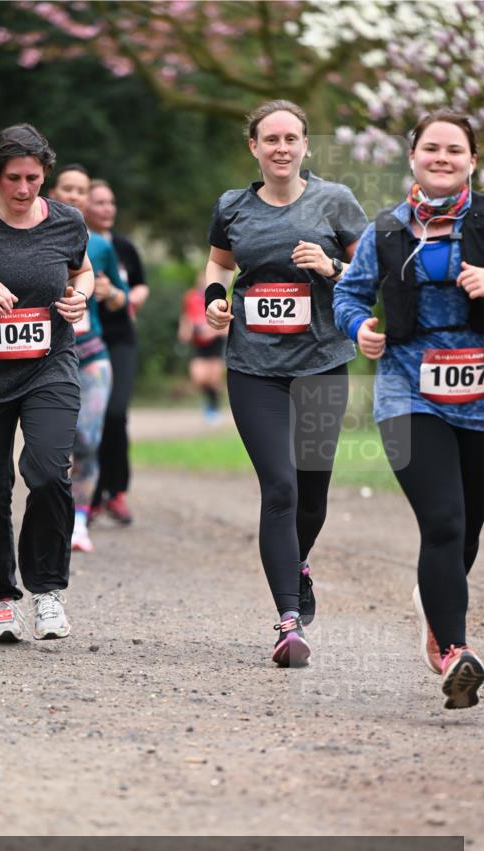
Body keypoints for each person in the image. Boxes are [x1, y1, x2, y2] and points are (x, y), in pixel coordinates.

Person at [205, 99, 368, 667]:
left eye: (291, 138)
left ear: (305, 146)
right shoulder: (233, 207)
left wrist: (330, 268)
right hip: (254, 365)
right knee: (279, 487)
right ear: (254, 146)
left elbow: (368, 276)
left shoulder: (336, 201)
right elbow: (220, 265)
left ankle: (298, 563)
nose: (281, 147)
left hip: (322, 360)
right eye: (270, 139)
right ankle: (288, 621)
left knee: (312, 489)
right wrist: (215, 302)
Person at [334, 109, 484, 710]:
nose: (442, 158)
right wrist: (359, 329)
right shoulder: (389, 227)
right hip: (408, 391)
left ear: (472, 160)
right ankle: (454, 652)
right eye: (432, 149)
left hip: (479, 395)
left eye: (455, 150)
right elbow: (349, 292)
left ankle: (436, 607)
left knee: (468, 526)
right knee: (444, 519)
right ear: (413, 156)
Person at [0, 125, 94, 643]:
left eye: (32, 178)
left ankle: (47, 592)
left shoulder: (67, 221)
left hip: (49, 364)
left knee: (47, 471)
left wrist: (80, 295)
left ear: (45, 175)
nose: (22, 188)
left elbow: (80, 271)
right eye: (11, 178)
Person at [49, 163, 128, 553]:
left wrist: (109, 291)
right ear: (53, 192)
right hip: (47, 356)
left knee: (87, 439)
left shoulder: (100, 246)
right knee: (53, 445)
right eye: (67, 189)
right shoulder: (34, 239)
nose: (75, 196)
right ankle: (53, 514)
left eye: (81, 190)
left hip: (92, 353)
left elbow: (123, 298)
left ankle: (79, 520)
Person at [86, 180, 149, 525]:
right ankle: (92, 496)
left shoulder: (123, 247)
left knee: (114, 413)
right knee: (89, 420)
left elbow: (139, 283)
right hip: (84, 337)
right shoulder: (73, 243)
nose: (107, 209)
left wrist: (131, 295)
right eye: (99, 203)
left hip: (121, 337)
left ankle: (117, 491)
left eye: (111, 202)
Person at [178, 273, 227, 424]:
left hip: (215, 345)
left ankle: (214, 407)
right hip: (198, 345)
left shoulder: (223, 300)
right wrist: (185, 331)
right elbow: (187, 318)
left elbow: (227, 327)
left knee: (213, 379)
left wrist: (212, 332)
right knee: (199, 378)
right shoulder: (191, 298)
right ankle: (212, 400)